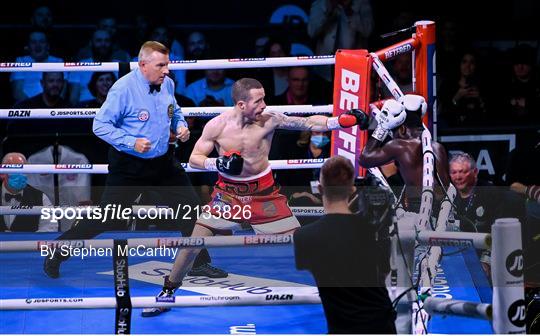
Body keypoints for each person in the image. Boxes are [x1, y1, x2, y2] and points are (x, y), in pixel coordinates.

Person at [141, 77, 368, 317]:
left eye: (264, 99)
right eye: (258, 101)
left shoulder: (269, 120)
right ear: (241, 104)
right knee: (192, 245)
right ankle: (167, 292)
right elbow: (196, 157)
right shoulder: (217, 126)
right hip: (228, 196)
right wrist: (217, 162)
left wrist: (339, 122)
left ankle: (344, 292)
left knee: (306, 243)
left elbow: (308, 122)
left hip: (264, 195)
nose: (263, 105)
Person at [43, 41, 224, 279]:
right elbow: (99, 126)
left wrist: (180, 127)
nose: (166, 70)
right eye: (161, 65)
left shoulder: (167, 83)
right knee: (108, 217)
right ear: (143, 65)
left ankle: (199, 261)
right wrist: (131, 141)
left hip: (163, 162)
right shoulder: (123, 89)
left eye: (167, 64)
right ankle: (58, 250)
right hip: (129, 164)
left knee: (189, 209)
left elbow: (175, 110)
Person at [294, 155, 396, 334]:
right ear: (352, 189)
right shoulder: (372, 230)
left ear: (319, 188)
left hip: (342, 326)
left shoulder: (304, 236)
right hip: (381, 324)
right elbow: (384, 270)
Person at [359, 94, 450, 210]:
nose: (392, 136)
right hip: (446, 210)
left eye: (394, 131)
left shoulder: (401, 146)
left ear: (402, 129)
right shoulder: (438, 147)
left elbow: (364, 159)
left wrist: (383, 127)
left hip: (423, 211)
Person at [0, 153, 56, 232]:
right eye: (15, 170)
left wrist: (24, 241)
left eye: (23, 171)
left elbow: (50, 227)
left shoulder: (41, 197)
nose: (20, 174)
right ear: (2, 174)